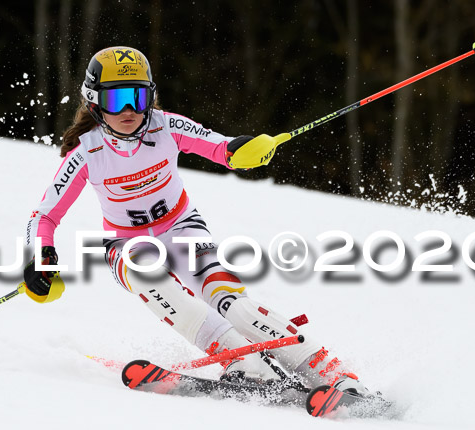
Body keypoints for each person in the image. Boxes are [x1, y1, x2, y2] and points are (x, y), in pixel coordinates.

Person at [23, 46, 368, 394]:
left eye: (139, 97)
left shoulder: (166, 126)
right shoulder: (86, 152)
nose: (129, 110)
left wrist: (243, 152)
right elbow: (45, 215)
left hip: (183, 228)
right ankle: (243, 361)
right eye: (117, 100)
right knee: (151, 279)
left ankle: (327, 369)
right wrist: (40, 255)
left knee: (230, 302)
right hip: (127, 244)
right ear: (95, 103)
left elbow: (221, 147)